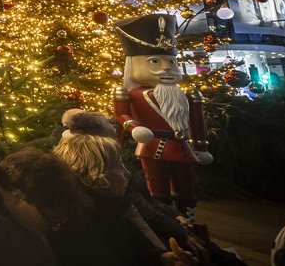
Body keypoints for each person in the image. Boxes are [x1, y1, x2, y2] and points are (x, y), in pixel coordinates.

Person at [55, 112, 246, 266]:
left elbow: (138, 235)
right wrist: (175, 236)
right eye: (111, 135)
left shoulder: (111, 203)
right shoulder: (90, 222)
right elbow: (142, 217)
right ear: (97, 172)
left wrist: (162, 253)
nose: (126, 174)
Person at [113, 14, 213, 217]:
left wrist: (201, 147)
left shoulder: (186, 95)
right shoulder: (132, 94)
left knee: (186, 188)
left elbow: (196, 121)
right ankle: (166, 218)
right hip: (153, 147)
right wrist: (135, 128)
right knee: (158, 189)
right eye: (155, 61)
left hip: (184, 147)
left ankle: (188, 217)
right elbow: (122, 114)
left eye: (171, 61)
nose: (167, 67)